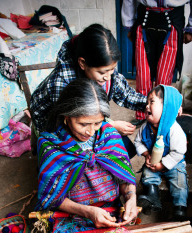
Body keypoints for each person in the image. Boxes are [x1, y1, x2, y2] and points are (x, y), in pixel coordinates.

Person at [35, 78, 138, 233]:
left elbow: (123, 177)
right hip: (71, 215)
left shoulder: (110, 135)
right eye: (83, 124)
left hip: (112, 211)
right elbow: (51, 195)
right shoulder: (51, 146)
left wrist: (131, 197)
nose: (90, 132)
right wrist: (88, 212)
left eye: (97, 123)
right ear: (66, 116)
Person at [30, 23, 147, 158]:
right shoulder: (62, 83)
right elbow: (67, 121)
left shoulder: (106, 72)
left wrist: (152, 104)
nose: (109, 77)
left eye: (112, 69)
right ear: (82, 63)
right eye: (103, 72)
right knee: (79, 160)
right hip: (55, 123)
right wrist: (110, 125)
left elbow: (126, 95)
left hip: (82, 119)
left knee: (124, 149)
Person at [121, 0, 192, 122]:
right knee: (143, 75)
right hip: (144, 22)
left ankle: (160, 117)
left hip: (172, 23)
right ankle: (143, 116)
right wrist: (129, 24)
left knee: (164, 78)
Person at [134, 84, 188, 220]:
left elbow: (179, 151)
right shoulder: (145, 128)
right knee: (148, 173)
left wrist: (164, 165)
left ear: (166, 108)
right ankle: (152, 196)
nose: (147, 106)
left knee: (179, 182)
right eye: (147, 102)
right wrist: (146, 154)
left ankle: (179, 208)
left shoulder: (175, 130)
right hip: (154, 161)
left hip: (174, 163)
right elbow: (138, 142)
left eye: (151, 102)